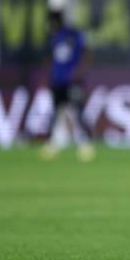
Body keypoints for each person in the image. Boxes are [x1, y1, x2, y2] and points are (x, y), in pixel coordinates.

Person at [40, 10, 94, 162]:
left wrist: (79, 72)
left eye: (52, 21)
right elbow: (49, 58)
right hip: (57, 81)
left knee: (77, 111)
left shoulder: (74, 34)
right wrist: (48, 75)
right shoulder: (53, 37)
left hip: (73, 81)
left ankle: (86, 144)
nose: (51, 25)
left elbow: (86, 53)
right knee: (56, 112)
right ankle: (52, 144)